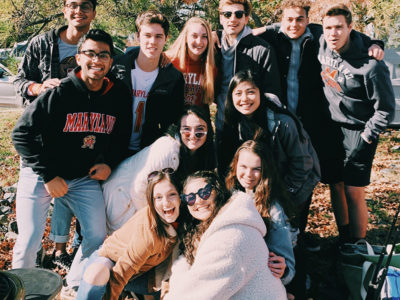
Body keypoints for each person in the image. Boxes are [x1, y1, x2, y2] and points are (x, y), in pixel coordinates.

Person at [11, 29, 132, 297]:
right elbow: (21, 134)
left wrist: (110, 164)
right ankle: (19, 291)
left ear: (111, 61)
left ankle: (73, 284)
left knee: (98, 236)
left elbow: (121, 137)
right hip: (41, 173)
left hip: (82, 177)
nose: (96, 60)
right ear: (78, 58)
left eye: (103, 55)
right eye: (90, 54)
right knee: (29, 240)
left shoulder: (119, 94)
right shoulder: (60, 92)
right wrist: (48, 175)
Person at [13, 0, 98, 269]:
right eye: (73, 4)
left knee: (94, 233)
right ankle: (21, 286)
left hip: (79, 154)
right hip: (41, 151)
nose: (79, 11)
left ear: (94, 12)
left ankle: (75, 279)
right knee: (28, 241)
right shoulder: (41, 44)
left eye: (86, 5)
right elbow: (18, 81)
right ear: (64, 9)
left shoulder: (98, 48)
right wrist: (38, 88)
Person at [318, 4, 395, 243]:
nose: (333, 33)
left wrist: (367, 136)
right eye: (328, 27)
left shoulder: (371, 65)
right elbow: (288, 25)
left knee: (353, 191)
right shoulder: (321, 43)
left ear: (350, 27)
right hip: (331, 128)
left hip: (359, 129)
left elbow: (385, 109)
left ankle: (358, 244)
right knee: (335, 184)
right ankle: (344, 238)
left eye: (339, 27)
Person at [164, 170, 286, 299]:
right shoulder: (211, 226)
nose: (198, 201)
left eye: (204, 192)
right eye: (190, 198)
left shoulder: (230, 238)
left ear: (218, 190)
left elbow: (196, 295)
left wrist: (168, 293)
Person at [102, 105, 215, 233]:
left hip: (138, 202)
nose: (193, 135)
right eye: (186, 130)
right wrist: (158, 222)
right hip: (123, 200)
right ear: (179, 130)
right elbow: (139, 188)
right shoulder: (168, 149)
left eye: (200, 130)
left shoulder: (201, 154)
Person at [220, 69, 320, 209]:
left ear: (260, 93)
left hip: (295, 186)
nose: (244, 99)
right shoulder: (234, 123)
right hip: (261, 185)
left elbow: (302, 164)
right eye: (238, 93)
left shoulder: (283, 123)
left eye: (250, 92)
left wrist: (283, 194)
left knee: (288, 228)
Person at [76, 171, 181, 300]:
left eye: (172, 194)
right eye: (158, 197)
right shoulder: (149, 234)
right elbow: (121, 273)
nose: (166, 203)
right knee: (97, 274)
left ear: (181, 195)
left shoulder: (183, 218)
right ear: (151, 201)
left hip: (142, 271)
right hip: (112, 264)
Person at [213, 0, 281, 167]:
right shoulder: (213, 46)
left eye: (238, 14)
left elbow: (272, 92)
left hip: (252, 126)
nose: (232, 19)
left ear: (246, 18)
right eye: (227, 14)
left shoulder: (262, 49)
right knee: (225, 173)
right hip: (223, 121)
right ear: (221, 18)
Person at [111, 10, 184, 155]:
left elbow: (173, 122)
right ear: (138, 36)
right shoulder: (115, 67)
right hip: (112, 149)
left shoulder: (173, 78)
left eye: (158, 36)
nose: (152, 42)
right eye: (147, 35)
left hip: (149, 152)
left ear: (166, 38)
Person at [225, 140, 296, 286]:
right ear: (235, 165)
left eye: (256, 169)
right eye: (243, 166)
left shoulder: (273, 210)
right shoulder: (228, 192)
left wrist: (284, 270)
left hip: (257, 273)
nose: (249, 174)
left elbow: (287, 265)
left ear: (265, 170)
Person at [165, 17, 216, 115]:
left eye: (204, 36)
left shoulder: (211, 67)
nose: (199, 41)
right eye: (194, 36)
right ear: (185, 38)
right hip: (173, 120)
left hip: (199, 120)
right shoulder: (168, 60)